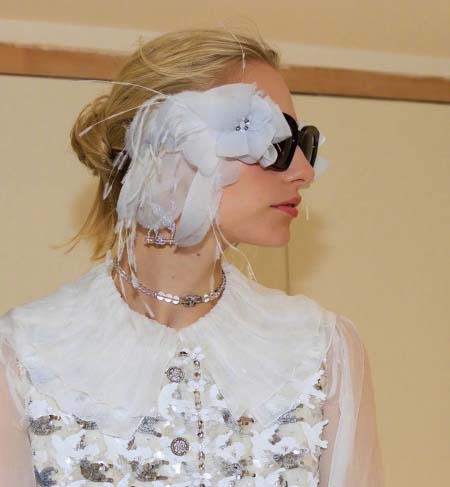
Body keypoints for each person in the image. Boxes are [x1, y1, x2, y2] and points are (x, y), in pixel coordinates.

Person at [0, 27, 385, 486]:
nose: (304, 171)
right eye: (271, 141)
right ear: (164, 146)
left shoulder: (323, 352)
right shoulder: (26, 355)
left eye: (302, 144)